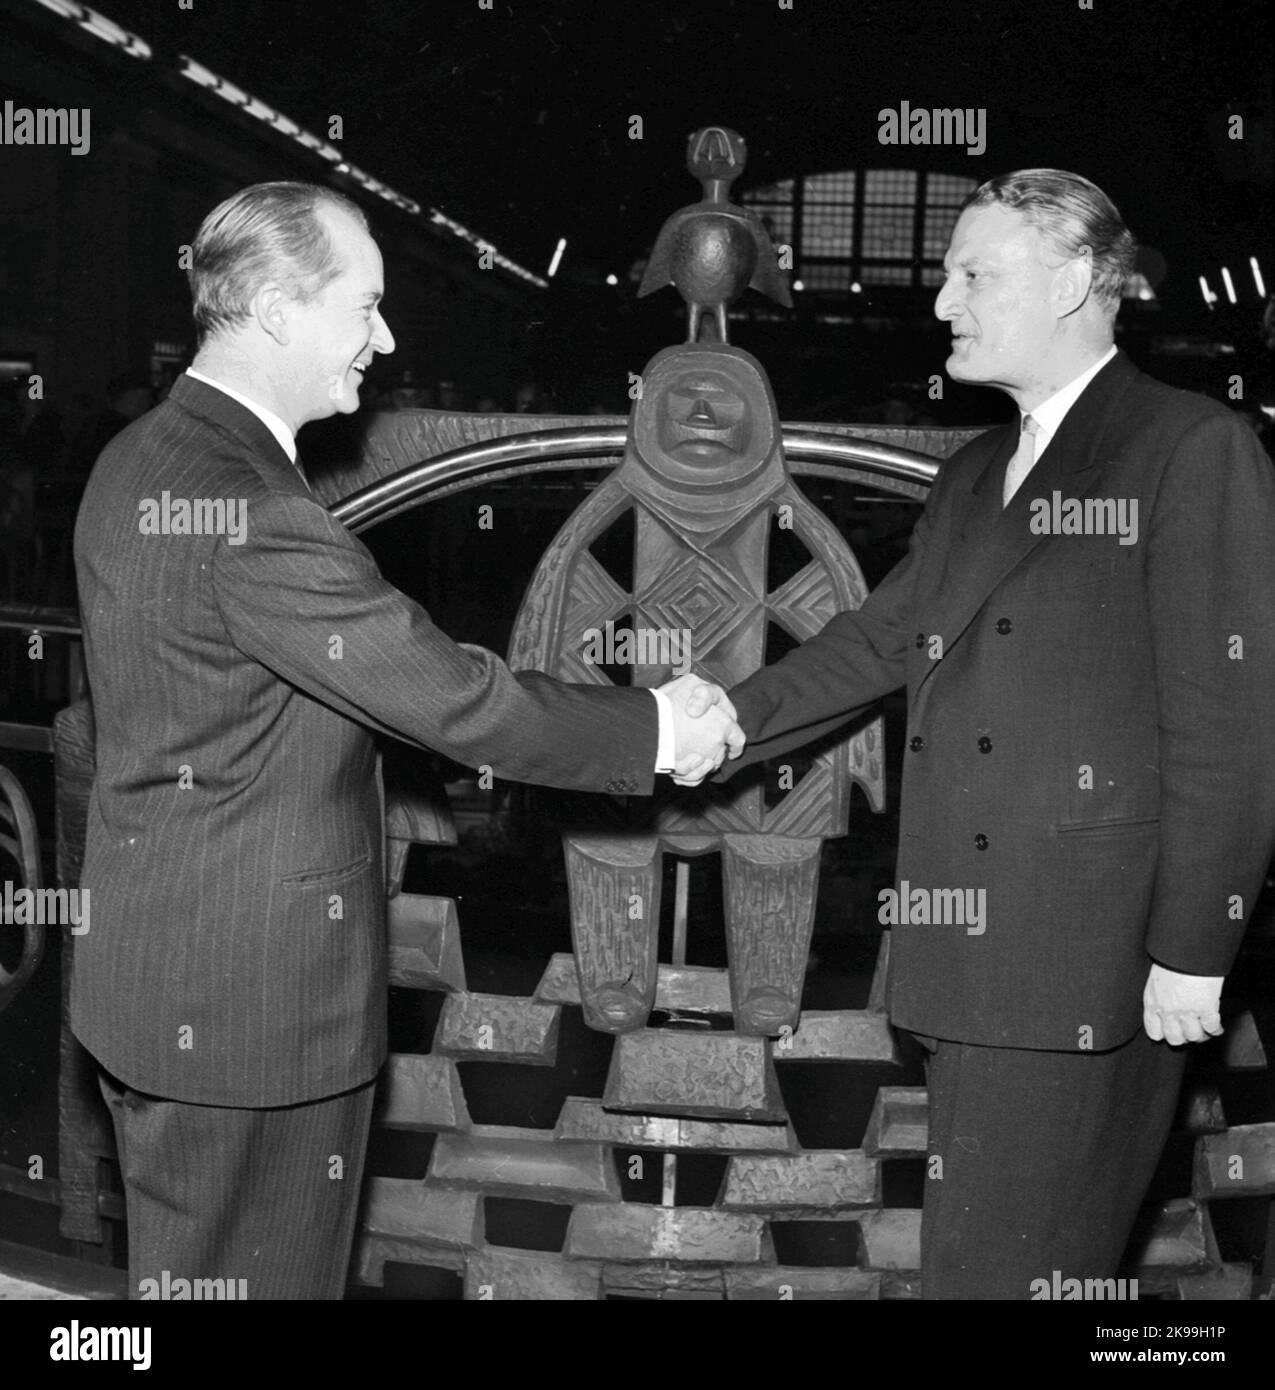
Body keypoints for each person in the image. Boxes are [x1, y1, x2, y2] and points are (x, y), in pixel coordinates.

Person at [72, 180, 742, 1299]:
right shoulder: (258, 512)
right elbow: (454, 698)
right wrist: (659, 723)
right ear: (280, 309)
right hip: (253, 1018)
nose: (385, 341)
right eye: (366, 308)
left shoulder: (136, 456)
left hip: (155, 982)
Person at [678, 168, 1275, 1298]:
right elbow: (874, 644)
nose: (943, 301)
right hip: (976, 966)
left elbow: (1233, 721)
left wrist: (1197, 942)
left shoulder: (1189, 449)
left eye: (971, 274)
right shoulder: (974, 472)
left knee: (1009, 1272)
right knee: (993, 1264)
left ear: (1070, 284)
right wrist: (712, 719)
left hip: (1085, 960)